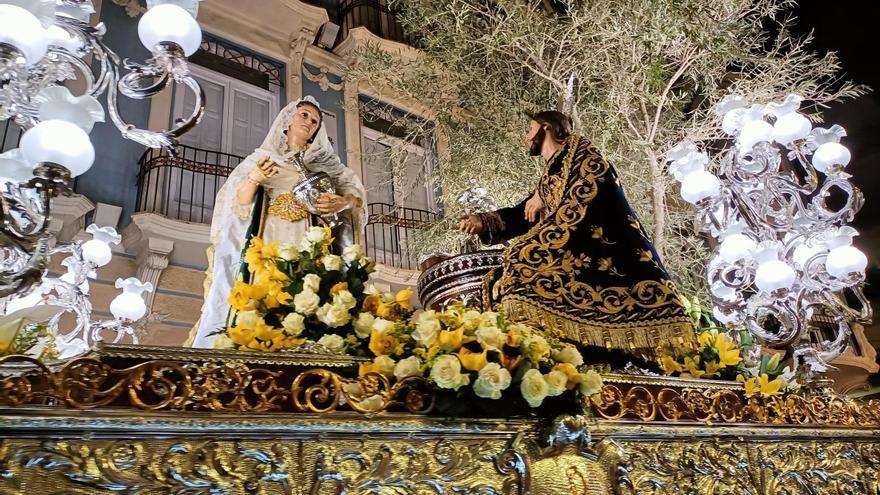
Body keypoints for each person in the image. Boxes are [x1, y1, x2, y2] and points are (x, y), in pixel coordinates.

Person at [456, 111, 695, 357]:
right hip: (572, 248)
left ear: (545, 128)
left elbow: (583, 202)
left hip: (597, 250)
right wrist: (482, 222)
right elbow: (522, 214)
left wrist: (542, 202)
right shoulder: (553, 172)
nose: (527, 137)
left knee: (520, 259)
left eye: (530, 128)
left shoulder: (582, 154)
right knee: (498, 277)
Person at [188, 96, 366, 348]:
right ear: (288, 120)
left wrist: (342, 202)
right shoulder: (261, 158)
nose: (309, 122)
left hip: (306, 237)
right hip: (267, 236)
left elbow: (355, 196)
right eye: (303, 115)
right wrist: (255, 178)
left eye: (315, 121)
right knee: (266, 289)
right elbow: (239, 202)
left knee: (304, 290)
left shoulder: (325, 166)